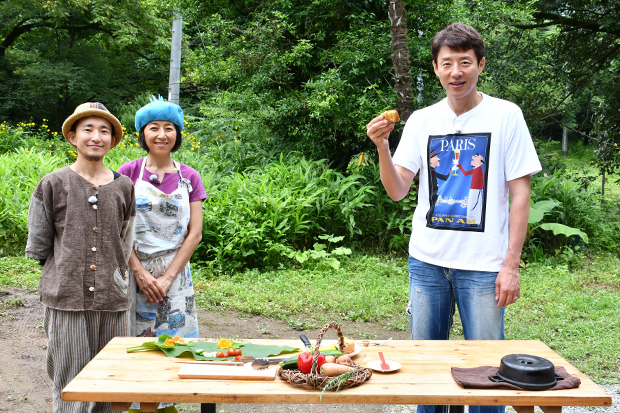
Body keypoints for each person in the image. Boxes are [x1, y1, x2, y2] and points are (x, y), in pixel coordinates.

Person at [366, 23, 541, 413]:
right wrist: (382, 146)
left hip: (483, 266)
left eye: (465, 62)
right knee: (427, 376)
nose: (456, 72)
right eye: (447, 64)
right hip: (427, 262)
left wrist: (511, 266)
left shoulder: (506, 116)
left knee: (486, 378)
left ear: (481, 64)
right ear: (435, 68)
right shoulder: (422, 121)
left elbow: (520, 194)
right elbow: (398, 190)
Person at [25, 102, 136, 413]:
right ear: (73, 137)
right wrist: (67, 271)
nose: (96, 136)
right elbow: (40, 243)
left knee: (112, 381)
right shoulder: (52, 183)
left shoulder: (124, 186)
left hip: (112, 298)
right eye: (88, 129)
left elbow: (125, 240)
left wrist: (113, 274)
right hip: (65, 295)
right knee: (70, 381)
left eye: (104, 131)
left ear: (113, 141)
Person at [118, 97, 206, 412]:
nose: (161, 134)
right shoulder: (127, 172)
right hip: (133, 270)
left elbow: (194, 233)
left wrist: (168, 277)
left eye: (169, 128)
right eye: (153, 127)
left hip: (176, 274)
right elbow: (118, 230)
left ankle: (161, 406)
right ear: (143, 134)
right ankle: (124, 403)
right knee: (131, 344)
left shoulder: (189, 177)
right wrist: (141, 273)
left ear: (177, 135)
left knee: (171, 346)